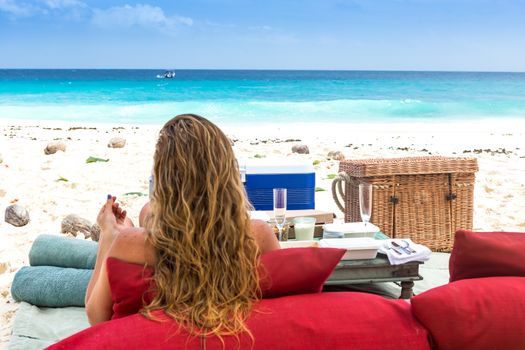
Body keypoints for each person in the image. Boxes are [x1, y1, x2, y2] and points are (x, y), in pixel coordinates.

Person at [85, 114, 280, 338]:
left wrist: (109, 236)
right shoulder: (258, 234)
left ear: (164, 178)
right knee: (148, 211)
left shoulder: (129, 244)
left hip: (151, 244)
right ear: (226, 174)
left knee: (149, 211)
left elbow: (96, 316)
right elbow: (281, 299)